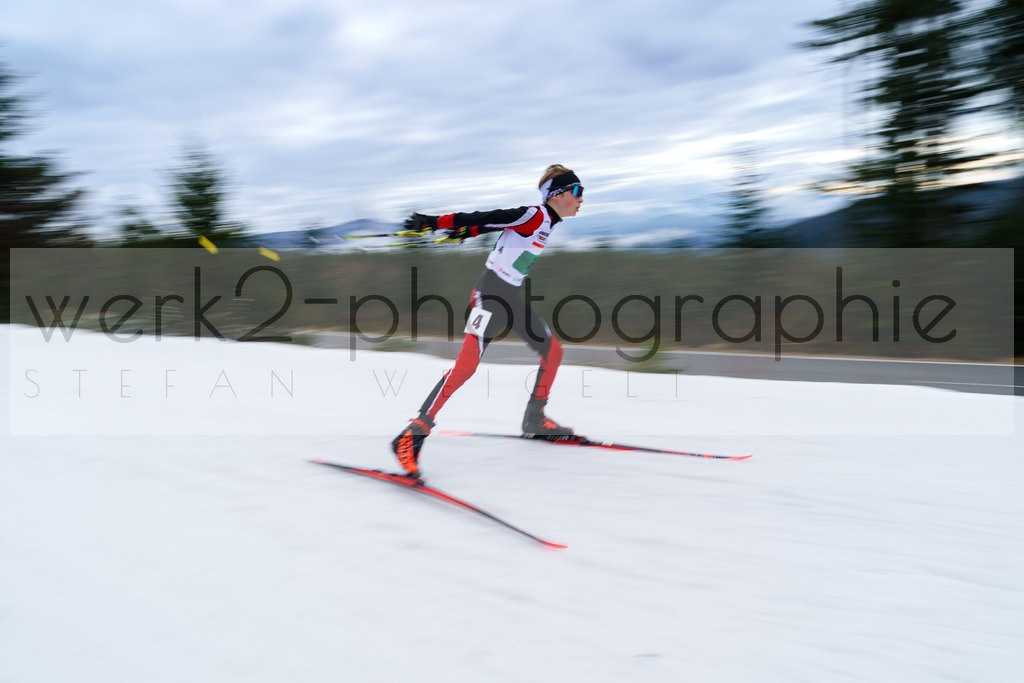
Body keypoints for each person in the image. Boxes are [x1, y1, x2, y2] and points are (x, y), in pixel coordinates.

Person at [390, 164, 585, 477]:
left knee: (553, 352)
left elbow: (496, 229)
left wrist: (468, 232)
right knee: (466, 366)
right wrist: (434, 222)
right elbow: (488, 216)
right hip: (489, 297)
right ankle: (412, 434)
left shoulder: (547, 221)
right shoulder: (535, 214)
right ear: (557, 195)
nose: (581, 199)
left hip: (509, 298)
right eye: (577, 192)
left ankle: (535, 419)